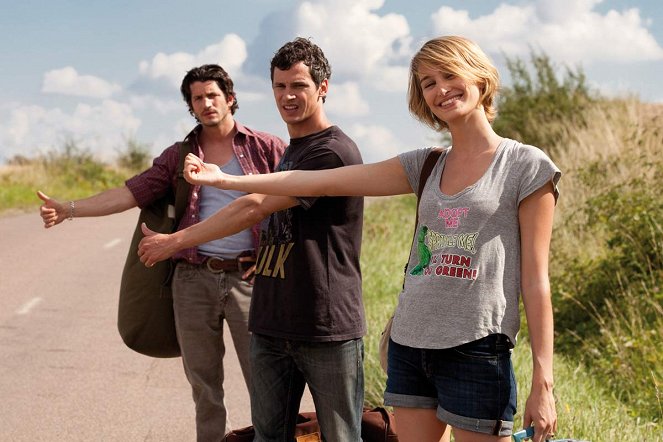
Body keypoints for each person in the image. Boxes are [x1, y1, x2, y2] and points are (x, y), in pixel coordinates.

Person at [176, 36, 560, 442]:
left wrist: (544, 381)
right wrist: (226, 179)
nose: (440, 89)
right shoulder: (424, 163)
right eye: (427, 82)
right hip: (411, 346)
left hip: (477, 349)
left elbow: (536, 282)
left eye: (450, 75)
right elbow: (318, 181)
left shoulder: (525, 165)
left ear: (480, 79)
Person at [37, 64, 286, 441]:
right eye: (197, 98)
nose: (206, 103)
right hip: (192, 279)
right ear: (191, 106)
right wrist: (70, 209)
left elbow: (291, 203)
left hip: (249, 280)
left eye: (212, 95)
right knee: (204, 387)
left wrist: (270, 261)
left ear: (230, 99)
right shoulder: (179, 155)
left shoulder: (266, 147)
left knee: (265, 383)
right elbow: (129, 193)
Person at [138, 38, 366, 441]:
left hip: (324, 327)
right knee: (268, 436)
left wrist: (174, 242)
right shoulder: (291, 151)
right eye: (280, 87)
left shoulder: (331, 152)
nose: (288, 96)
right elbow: (284, 225)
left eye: (299, 86)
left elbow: (253, 206)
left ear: (323, 87)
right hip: (271, 322)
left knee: (340, 436)